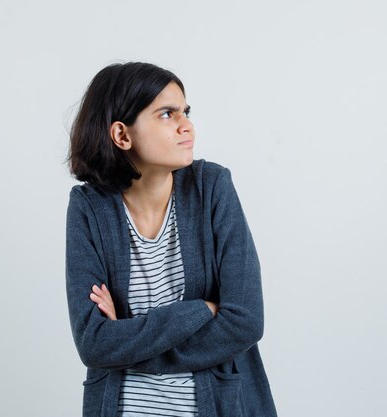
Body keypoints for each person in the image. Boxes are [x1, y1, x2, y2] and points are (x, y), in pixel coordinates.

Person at [65, 62, 277, 417]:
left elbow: (245, 322)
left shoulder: (212, 188)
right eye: (166, 114)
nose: (186, 125)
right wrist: (201, 310)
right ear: (122, 135)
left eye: (186, 112)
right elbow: (94, 344)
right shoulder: (89, 208)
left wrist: (129, 343)